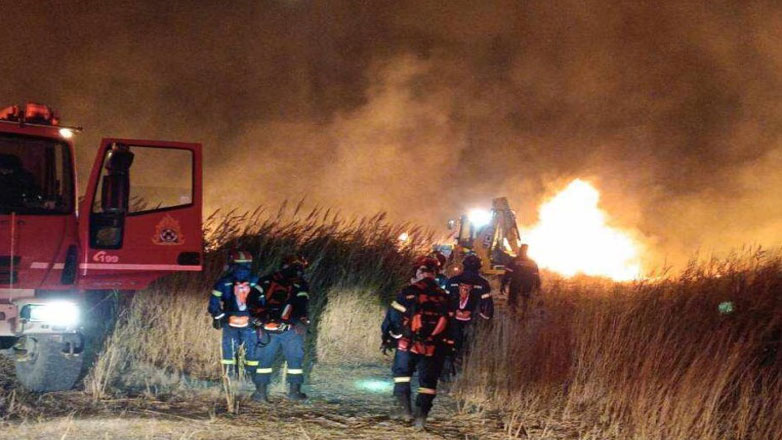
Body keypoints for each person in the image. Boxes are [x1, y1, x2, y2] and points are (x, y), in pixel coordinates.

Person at [381, 256, 454, 430]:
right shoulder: (444, 295)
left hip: (408, 343)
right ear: (435, 273)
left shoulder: (408, 292)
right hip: (434, 346)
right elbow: (452, 325)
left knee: (401, 375)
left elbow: (392, 316)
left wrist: (388, 336)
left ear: (419, 272)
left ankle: (405, 411)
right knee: (428, 383)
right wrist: (450, 345)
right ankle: (421, 418)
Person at [248, 255, 311, 402]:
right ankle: (294, 393)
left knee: (264, 360)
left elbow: (251, 301)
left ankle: (260, 393)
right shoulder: (300, 284)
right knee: (294, 360)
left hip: (270, 328)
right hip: (289, 329)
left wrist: (260, 320)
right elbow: (301, 307)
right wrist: (299, 322)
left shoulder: (266, 280)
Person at [207, 250, 262, 380]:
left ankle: (229, 377)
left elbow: (213, 304)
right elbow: (263, 302)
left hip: (229, 322)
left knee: (229, 350)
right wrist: (259, 319)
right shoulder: (256, 281)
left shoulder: (223, 282)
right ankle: (250, 378)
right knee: (251, 350)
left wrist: (218, 317)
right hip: (249, 321)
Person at [443, 254, 493, 377]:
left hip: (452, 320)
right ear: (479, 267)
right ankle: (462, 371)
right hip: (472, 321)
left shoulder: (452, 281)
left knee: (451, 343)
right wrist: (487, 320)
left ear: (463, 265)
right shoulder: (483, 283)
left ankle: (447, 369)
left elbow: (444, 301)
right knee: (468, 345)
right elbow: (487, 308)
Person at [500, 244, 541, 317]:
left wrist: (503, 284)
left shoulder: (514, 261)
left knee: (512, 301)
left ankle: (513, 315)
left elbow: (507, 274)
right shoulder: (532, 262)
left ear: (520, 250)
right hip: (527, 285)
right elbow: (536, 276)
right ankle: (524, 316)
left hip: (515, 284)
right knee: (526, 300)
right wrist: (538, 287)